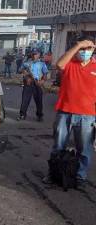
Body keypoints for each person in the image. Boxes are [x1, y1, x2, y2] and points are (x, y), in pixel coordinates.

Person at [42, 35, 96, 185]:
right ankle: (53, 174)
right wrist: (78, 46)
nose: (85, 51)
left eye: (88, 48)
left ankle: (80, 175)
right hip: (65, 112)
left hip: (88, 116)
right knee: (58, 146)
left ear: (94, 49)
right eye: (82, 48)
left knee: (84, 149)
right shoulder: (69, 63)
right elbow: (59, 64)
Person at [17, 49, 48, 122]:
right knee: (25, 100)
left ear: (39, 54)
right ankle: (22, 114)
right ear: (31, 55)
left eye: (36, 54)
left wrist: (42, 81)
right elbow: (20, 70)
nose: (34, 56)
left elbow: (45, 74)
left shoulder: (42, 64)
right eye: (33, 54)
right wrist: (25, 73)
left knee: (39, 101)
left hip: (38, 83)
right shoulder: (26, 63)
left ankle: (39, 115)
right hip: (28, 83)